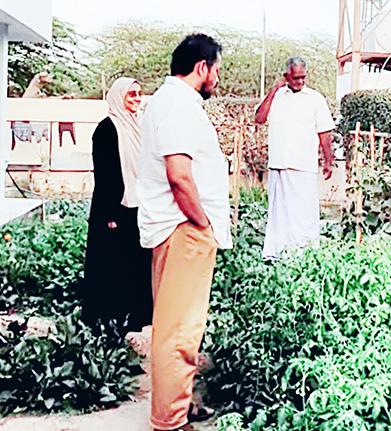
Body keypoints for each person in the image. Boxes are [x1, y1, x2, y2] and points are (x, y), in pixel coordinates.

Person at [136, 34, 231, 431]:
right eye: (216, 71)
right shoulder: (177, 104)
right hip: (184, 229)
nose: (217, 80)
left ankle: (180, 403)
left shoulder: (173, 102)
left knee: (178, 326)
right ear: (202, 67)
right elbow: (179, 175)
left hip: (178, 228)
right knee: (179, 330)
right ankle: (170, 422)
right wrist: (202, 222)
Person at [81, 77, 152, 334]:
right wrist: (109, 214)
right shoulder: (107, 129)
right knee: (113, 265)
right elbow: (105, 173)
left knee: (138, 265)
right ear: (118, 97)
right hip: (115, 209)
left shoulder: (139, 126)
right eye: (131, 94)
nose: (137, 99)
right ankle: (109, 322)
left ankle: (137, 319)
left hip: (139, 206)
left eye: (139, 94)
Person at [255, 56, 335, 260]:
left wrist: (328, 161)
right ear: (286, 77)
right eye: (296, 78)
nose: (300, 81)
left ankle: (305, 255)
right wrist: (273, 90)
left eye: (302, 77)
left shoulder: (315, 98)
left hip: (303, 166)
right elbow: (259, 118)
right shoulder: (277, 96)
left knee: (304, 215)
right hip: (278, 165)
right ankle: (276, 255)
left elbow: (324, 133)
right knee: (279, 215)